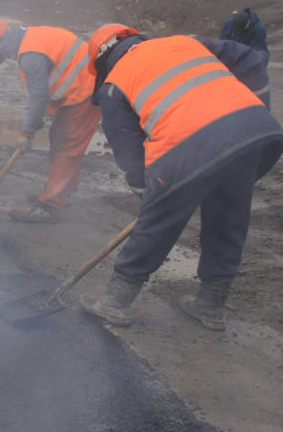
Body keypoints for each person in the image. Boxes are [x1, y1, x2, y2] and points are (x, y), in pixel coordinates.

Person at [79, 23, 282, 330]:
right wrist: (254, 111)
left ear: (102, 63)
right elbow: (251, 59)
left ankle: (114, 302)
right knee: (229, 218)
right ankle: (211, 306)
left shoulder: (113, 84)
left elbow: (128, 152)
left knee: (156, 225)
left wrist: (145, 192)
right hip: (254, 134)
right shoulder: (185, 40)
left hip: (189, 146)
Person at [0, 20, 101, 223]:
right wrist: (37, 120)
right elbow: (52, 80)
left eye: (4, 55)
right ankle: (62, 192)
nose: (8, 58)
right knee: (60, 140)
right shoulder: (32, 39)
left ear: (4, 43)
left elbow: (38, 95)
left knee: (68, 146)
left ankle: (49, 205)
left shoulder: (30, 56)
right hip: (80, 89)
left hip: (86, 91)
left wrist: (27, 132)